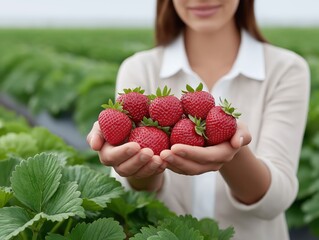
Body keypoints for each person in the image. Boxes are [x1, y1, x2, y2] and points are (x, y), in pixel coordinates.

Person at [87, 1, 310, 239]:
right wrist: (140, 165)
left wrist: (233, 153)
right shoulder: (139, 69)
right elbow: (131, 196)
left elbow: (276, 200)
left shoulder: (286, 70)